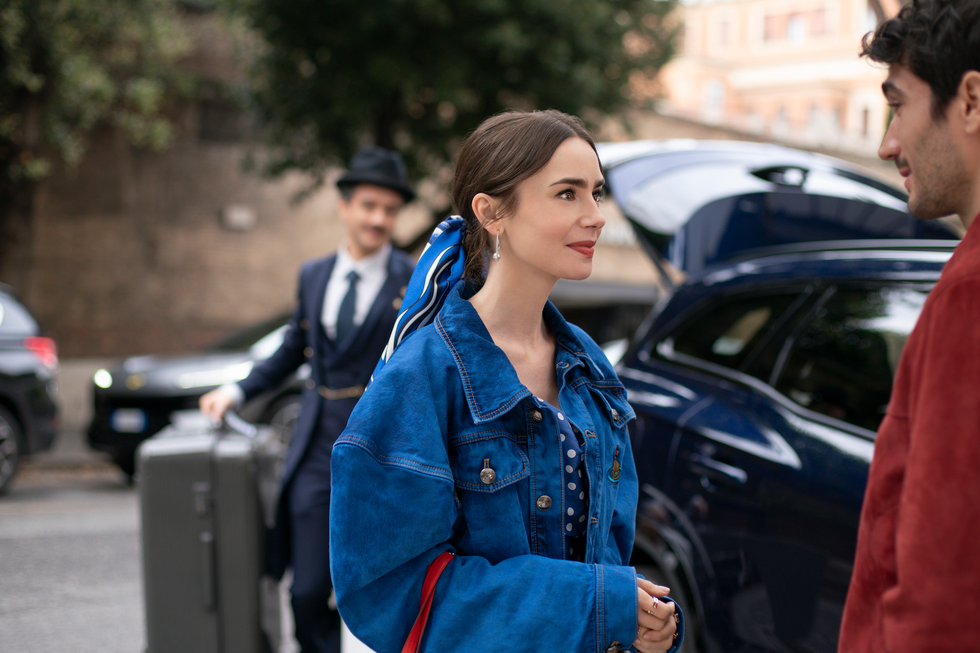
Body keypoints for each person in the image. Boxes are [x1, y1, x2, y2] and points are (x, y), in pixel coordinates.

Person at [329, 110, 683, 652]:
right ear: (491, 212)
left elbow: (606, 551)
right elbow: (392, 597)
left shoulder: (588, 365)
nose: (595, 216)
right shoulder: (422, 377)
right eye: (567, 193)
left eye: (596, 192)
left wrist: (640, 621)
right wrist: (598, 604)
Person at [199, 146, 416, 653]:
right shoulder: (313, 275)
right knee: (306, 589)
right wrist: (237, 390)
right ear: (344, 207)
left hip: (383, 444)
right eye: (368, 206)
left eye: (389, 208)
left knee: (379, 584)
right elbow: (291, 349)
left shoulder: (414, 280)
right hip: (318, 442)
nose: (378, 218)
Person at [839, 1, 980, 651]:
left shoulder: (969, 294)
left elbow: (943, 594)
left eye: (898, 104)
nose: (886, 142)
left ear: (972, 100)